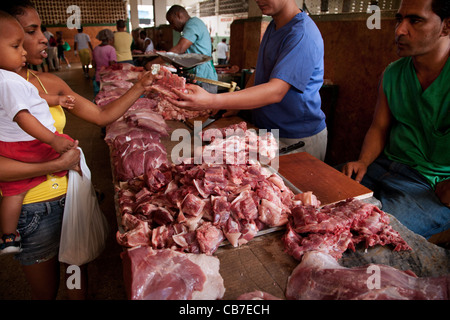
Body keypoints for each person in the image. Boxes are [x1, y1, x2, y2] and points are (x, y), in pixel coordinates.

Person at [0, 1, 156, 299]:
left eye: (39, 29)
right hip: (32, 209)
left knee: (76, 278)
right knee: (45, 292)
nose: (44, 38)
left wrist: (140, 87)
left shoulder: (47, 83)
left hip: (70, 198)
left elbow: (101, 116)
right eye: (30, 32)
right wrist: (52, 165)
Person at [341, 0, 449, 239]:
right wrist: (364, 161)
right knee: (319, 202)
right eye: (399, 20)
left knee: (367, 237)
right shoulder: (393, 73)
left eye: (415, 20)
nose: (400, 30)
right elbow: (379, 127)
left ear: (446, 26)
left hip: (428, 186)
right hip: (383, 167)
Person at [167, 0, 327, 160]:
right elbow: (260, 72)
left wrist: (212, 100)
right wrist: (238, 106)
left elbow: (276, 91)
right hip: (267, 132)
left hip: (295, 137)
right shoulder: (273, 26)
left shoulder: (301, 34)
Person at [0, 11, 77, 255]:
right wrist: (53, 139)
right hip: (25, 145)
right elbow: (23, 115)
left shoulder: (11, 80)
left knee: (15, 192)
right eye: (15, 46)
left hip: (15, 147)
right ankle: (75, 176)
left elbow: (34, 97)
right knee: (68, 146)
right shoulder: (8, 81)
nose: (23, 51)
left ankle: (8, 237)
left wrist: (57, 99)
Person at [146, 5, 218, 94]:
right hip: (196, 76)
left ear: (179, 15)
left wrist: (152, 64)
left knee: (204, 107)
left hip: (204, 78)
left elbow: (179, 49)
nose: (172, 27)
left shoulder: (193, 24)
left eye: (172, 22)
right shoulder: (191, 26)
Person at [92, 29, 116, 96]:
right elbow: (112, 65)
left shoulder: (95, 48)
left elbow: (93, 64)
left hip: (97, 77)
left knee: (98, 96)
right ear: (110, 38)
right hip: (108, 77)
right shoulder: (111, 49)